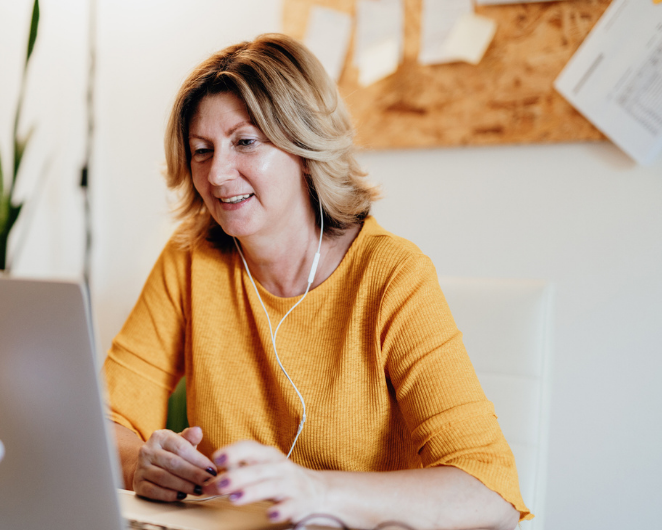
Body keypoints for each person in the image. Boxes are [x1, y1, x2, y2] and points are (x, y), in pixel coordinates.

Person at [103, 33, 530, 530]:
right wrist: (139, 464)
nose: (218, 173)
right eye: (201, 150)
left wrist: (314, 489)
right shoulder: (190, 260)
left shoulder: (392, 275)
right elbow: (102, 423)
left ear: (304, 146)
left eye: (245, 142)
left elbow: (489, 492)